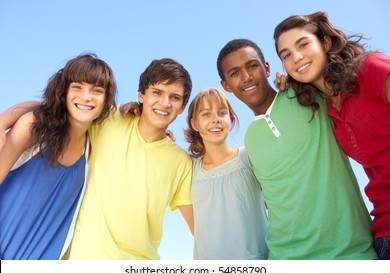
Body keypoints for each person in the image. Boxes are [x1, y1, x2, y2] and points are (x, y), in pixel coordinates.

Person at [217, 38, 377, 259]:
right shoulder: (250, 141)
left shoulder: (308, 94)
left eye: (252, 66)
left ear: (266, 68)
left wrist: (295, 79)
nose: (246, 77)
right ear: (226, 85)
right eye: (234, 73)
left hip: (352, 254)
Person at [273, 11, 390, 260]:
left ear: (325, 43)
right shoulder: (325, 108)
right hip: (383, 233)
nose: (297, 57)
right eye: (286, 55)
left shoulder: (369, 70)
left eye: (303, 44)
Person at [65, 58, 194, 260]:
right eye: (157, 93)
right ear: (141, 96)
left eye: (175, 97)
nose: (165, 103)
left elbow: (200, 230)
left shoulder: (182, 162)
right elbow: (59, 112)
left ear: (183, 106)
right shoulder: (109, 118)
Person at [0, 53, 117, 259]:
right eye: (77, 87)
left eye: (97, 90)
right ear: (64, 91)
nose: (86, 97)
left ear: (106, 100)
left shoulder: (92, 143)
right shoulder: (34, 127)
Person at [183, 87, 268, 260]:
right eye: (206, 114)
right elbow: (197, 230)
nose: (215, 120)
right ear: (194, 123)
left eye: (222, 113)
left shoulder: (248, 156)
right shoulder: (189, 169)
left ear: (231, 118)